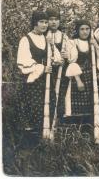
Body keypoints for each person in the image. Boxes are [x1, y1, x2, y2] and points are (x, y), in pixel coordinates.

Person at [17, 10, 62, 144]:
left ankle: (47, 138)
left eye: (46, 22)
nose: (44, 25)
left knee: (49, 107)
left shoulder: (47, 39)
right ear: (34, 23)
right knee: (34, 108)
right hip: (33, 81)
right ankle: (32, 143)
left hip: (47, 81)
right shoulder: (26, 39)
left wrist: (56, 60)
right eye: (41, 22)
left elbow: (57, 58)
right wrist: (42, 68)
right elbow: (23, 61)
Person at [62, 19, 99, 125]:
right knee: (76, 103)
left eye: (87, 29)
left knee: (91, 103)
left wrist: (95, 45)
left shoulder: (92, 43)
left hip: (91, 77)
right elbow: (71, 62)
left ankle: (88, 127)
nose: (85, 32)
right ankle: (75, 127)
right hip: (77, 75)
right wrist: (78, 80)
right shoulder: (72, 43)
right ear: (77, 30)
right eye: (82, 29)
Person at [45, 8, 70, 120]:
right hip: (48, 70)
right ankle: (48, 120)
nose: (53, 22)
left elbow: (71, 54)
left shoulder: (64, 36)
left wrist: (66, 55)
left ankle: (59, 120)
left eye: (56, 19)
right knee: (48, 94)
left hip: (62, 71)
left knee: (61, 94)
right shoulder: (44, 35)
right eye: (51, 19)